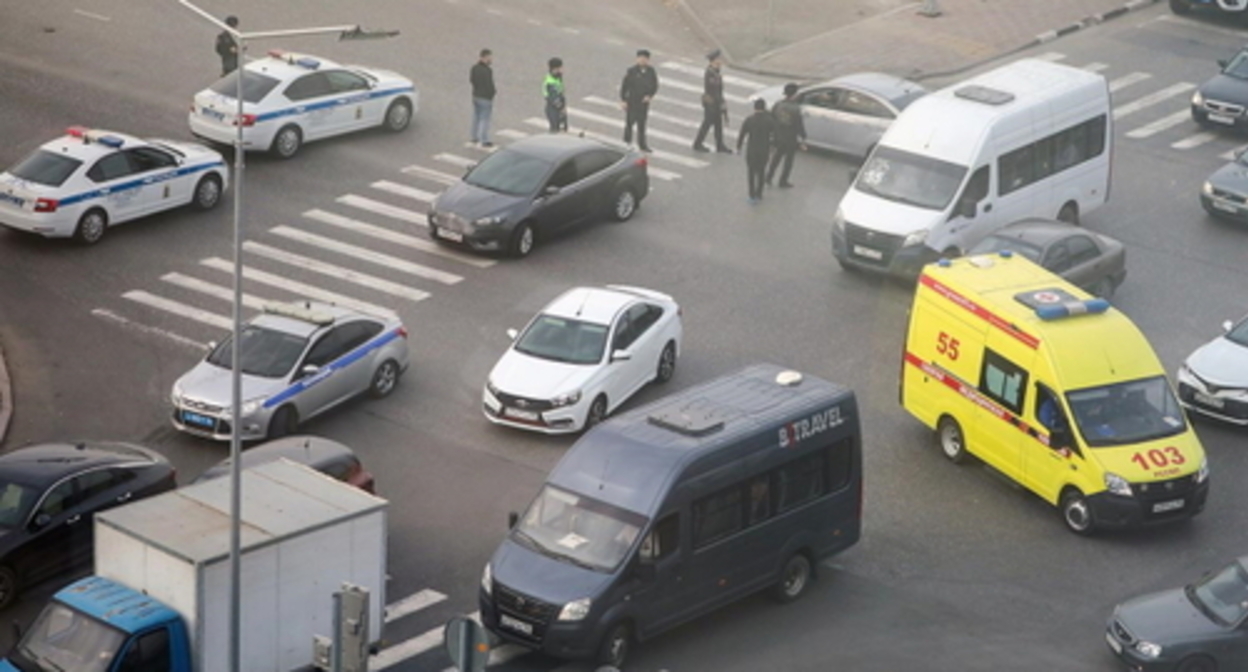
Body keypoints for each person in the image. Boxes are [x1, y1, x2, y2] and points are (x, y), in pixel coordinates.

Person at [766, 83, 807, 189]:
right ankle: (783, 181)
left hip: (778, 135)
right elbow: (798, 124)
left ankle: (769, 176)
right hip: (790, 137)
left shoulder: (778, 104)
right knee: (788, 161)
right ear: (794, 94)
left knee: (776, 157)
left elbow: (772, 118)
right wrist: (803, 136)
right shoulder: (795, 108)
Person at [737, 99, 776, 203]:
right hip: (764, 149)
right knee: (761, 172)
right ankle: (759, 193)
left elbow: (742, 134)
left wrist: (739, 147)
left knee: (751, 172)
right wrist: (772, 147)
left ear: (755, 108)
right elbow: (774, 135)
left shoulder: (749, 120)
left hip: (752, 149)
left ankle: (751, 194)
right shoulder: (769, 120)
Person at [620, 49, 659, 152]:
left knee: (642, 125)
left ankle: (642, 145)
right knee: (629, 124)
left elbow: (655, 85)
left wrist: (650, 95)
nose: (642, 60)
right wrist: (623, 100)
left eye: (644, 59)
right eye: (640, 58)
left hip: (643, 103)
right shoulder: (631, 71)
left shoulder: (651, 71)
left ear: (648, 60)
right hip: (632, 101)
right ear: (637, 59)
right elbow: (624, 86)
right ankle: (626, 143)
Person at [692, 50, 731, 153]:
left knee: (718, 124)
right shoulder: (710, 73)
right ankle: (697, 144)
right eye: (718, 60)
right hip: (711, 103)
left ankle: (720, 145)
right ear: (713, 61)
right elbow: (713, 90)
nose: (720, 62)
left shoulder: (716, 72)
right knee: (707, 124)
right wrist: (720, 102)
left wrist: (722, 102)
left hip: (716, 102)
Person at [470, 48, 496, 147]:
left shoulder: (474, 68)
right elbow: (489, 85)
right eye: (489, 58)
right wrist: (492, 93)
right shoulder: (487, 71)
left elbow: (472, 80)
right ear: (484, 58)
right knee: (485, 119)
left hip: (476, 95)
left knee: (476, 116)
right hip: (485, 97)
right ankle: (484, 139)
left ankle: (474, 136)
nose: (491, 60)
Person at [544, 57, 567, 133]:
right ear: (554, 69)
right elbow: (553, 98)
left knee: (561, 128)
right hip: (553, 108)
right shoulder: (550, 82)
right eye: (559, 68)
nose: (561, 70)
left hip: (558, 107)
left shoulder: (557, 77)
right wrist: (561, 108)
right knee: (555, 130)